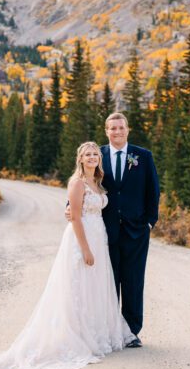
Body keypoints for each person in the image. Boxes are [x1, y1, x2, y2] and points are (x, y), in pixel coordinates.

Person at [0, 142, 136, 369]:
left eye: (95, 154)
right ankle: (77, 336)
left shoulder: (97, 182)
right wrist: (85, 249)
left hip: (99, 237)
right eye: (87, 154)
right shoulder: (77, 182)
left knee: (94, 287)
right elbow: (74, 217)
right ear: (80, 159)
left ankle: (96, 332)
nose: (92, 157)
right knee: (79, 286)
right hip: (81, 239)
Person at [65, 112, 160, 346]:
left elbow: (153, 191)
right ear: (106, 131)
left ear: (128, 130)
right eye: (112, 128)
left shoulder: (143, 157)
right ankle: (109, 329)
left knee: (133, 280)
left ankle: (131, 332)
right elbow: (82, 182)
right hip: (105, 232)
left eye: (121, 128)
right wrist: (69, 207)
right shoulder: (98, 155)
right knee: (108, 280)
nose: (117, 132)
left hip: (136, 230)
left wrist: (149, 222)